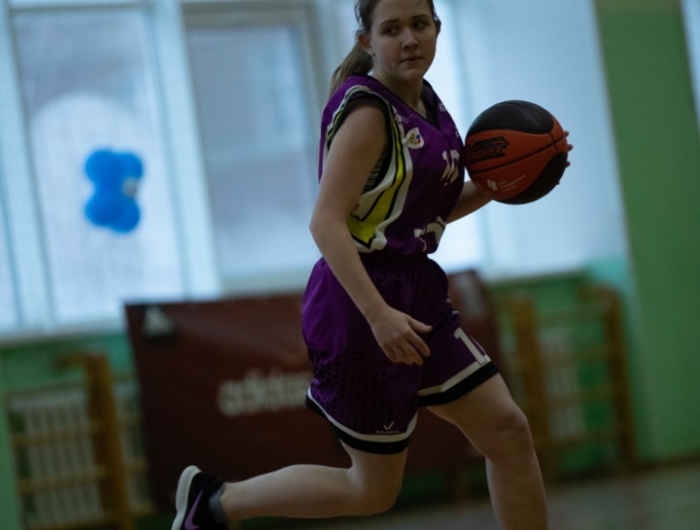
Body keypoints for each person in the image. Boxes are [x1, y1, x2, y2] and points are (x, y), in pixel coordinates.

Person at [172, 0, 571, 528]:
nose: (409, 39)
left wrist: (507, 181)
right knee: (372, 491)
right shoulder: (369, 114)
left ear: (437, 28)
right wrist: (378, 314)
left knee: (508, 432)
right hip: (358, 302)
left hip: (417, 292)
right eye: (392, 29)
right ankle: (215, 503)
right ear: (367, 41)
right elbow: (325, 223)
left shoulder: (427, 102)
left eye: (419, 24)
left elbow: (421, 210)